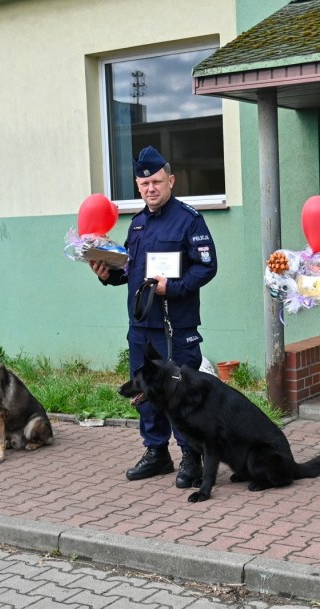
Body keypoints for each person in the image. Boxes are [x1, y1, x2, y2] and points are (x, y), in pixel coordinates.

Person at [89, 146, 217, 488]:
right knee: (145, 393)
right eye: (144, 184)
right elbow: (130, 273)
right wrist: (107, 274)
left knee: (182, 394)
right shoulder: (137, 225)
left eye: (157, 181)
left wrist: (171, 288)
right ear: (137, 185)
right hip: (141, 328)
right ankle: (157, 452)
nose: (150, 188)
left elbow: (207, 267)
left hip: (175, 327)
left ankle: (191, 456)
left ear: (171, 180)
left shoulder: (190, 220)